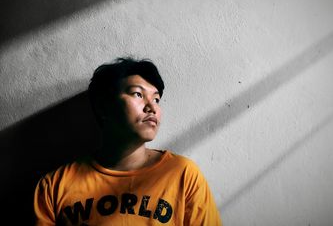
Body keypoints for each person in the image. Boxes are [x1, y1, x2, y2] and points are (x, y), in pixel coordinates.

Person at [34, 57, 222, 225]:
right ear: (103, 107)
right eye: (137, 94)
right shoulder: (56, 185)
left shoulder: (183, 174)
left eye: (156, 99)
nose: (152, 107)